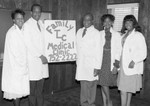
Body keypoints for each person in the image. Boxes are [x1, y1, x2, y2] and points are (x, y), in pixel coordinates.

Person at [117, 15, 147, 106]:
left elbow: (143, 52)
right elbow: (120, 50)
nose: (128, 24)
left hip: (131, 66)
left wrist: (134, 61)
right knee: (126, 89)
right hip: (123, 65)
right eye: (126, 22)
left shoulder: (138, 35)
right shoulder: (123, 35)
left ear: (134, 23)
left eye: (130, 21)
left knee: (125, 90)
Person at [2, 9, 29, 106]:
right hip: (16, 68)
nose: (21, 20)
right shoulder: (12, 33)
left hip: (21, 67)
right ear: (13, 20)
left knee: (19, 91)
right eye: (18, 19)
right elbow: (16, 53)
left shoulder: (21, 30)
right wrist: (24, 65)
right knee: (16, 92)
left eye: (22, 18)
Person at [23, 4, 49, 106]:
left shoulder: (42, 24)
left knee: (40, 89)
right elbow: (28, 44)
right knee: (32, 90)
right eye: (35, 12)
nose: (37, 14)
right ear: (31, 12)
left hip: (42, 62)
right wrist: (40, 56)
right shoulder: (27, 25)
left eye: (39, 12)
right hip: (33, 61)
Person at [75, 13, 103, 106]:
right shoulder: (79, 31)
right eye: (84, 20)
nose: (86, 22)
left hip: (92, 63)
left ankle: (91, 103)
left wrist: (97, 67)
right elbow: (76, 46)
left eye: (88, 20)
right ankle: (84, 103)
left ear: (92, 21)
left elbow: (99, 51)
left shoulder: (96, 33)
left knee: (91, 85)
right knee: (83, 85)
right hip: (81, 63)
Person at [98, 14, 122, 106]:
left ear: (112, 22)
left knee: (104, 82)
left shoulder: (116, 34)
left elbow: (119, 50)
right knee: (103, 83)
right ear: (103, 23)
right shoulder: (99, 33)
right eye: (105, 21)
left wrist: (116, 65)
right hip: (101, 59)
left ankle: (109, 101)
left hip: (110, 59)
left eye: (109, 21)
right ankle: (105, 103)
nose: (107, 23)